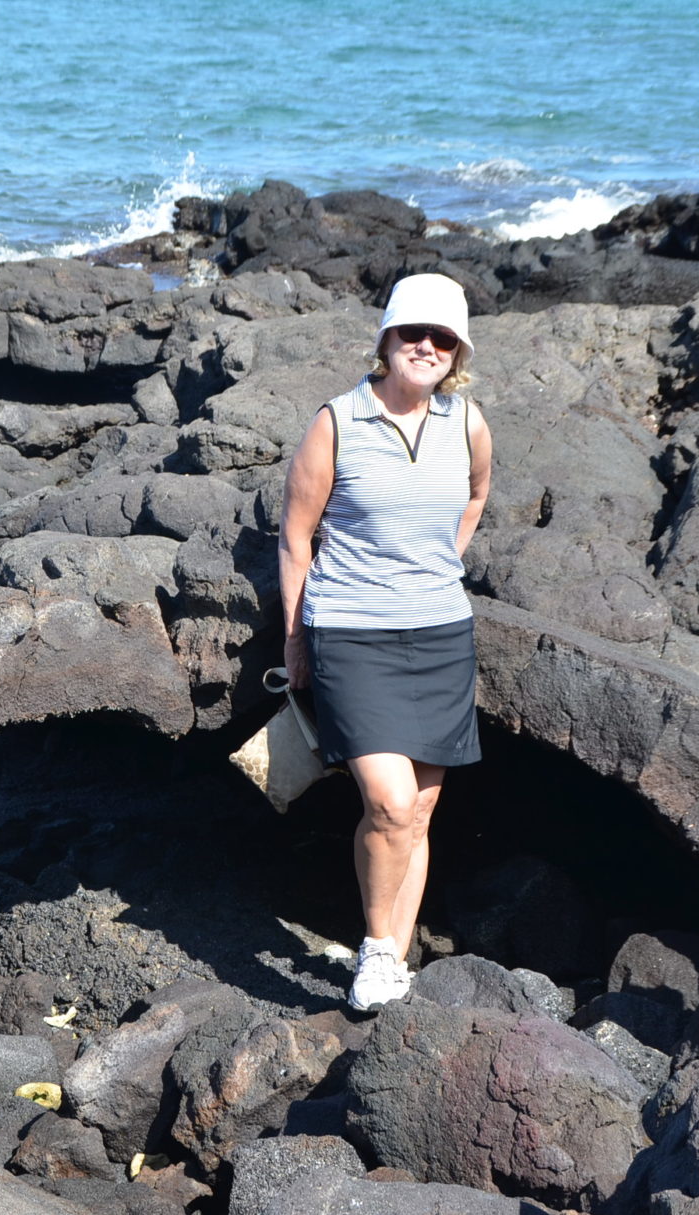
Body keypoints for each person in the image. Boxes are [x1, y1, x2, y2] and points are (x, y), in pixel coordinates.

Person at [277, 273, 492, 1011]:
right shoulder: (337, 421)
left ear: (456, 351)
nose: (425, 347)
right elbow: (296, 536)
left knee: (422, 812)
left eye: (441, 338)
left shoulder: (466, 422)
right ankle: (375, 948)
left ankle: (394, 964)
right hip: (352, 631)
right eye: (412, 334)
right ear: (387, 340)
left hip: (439, 631)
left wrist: (440, 559)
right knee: (392, 804)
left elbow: (476, 496)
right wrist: (295, 642)